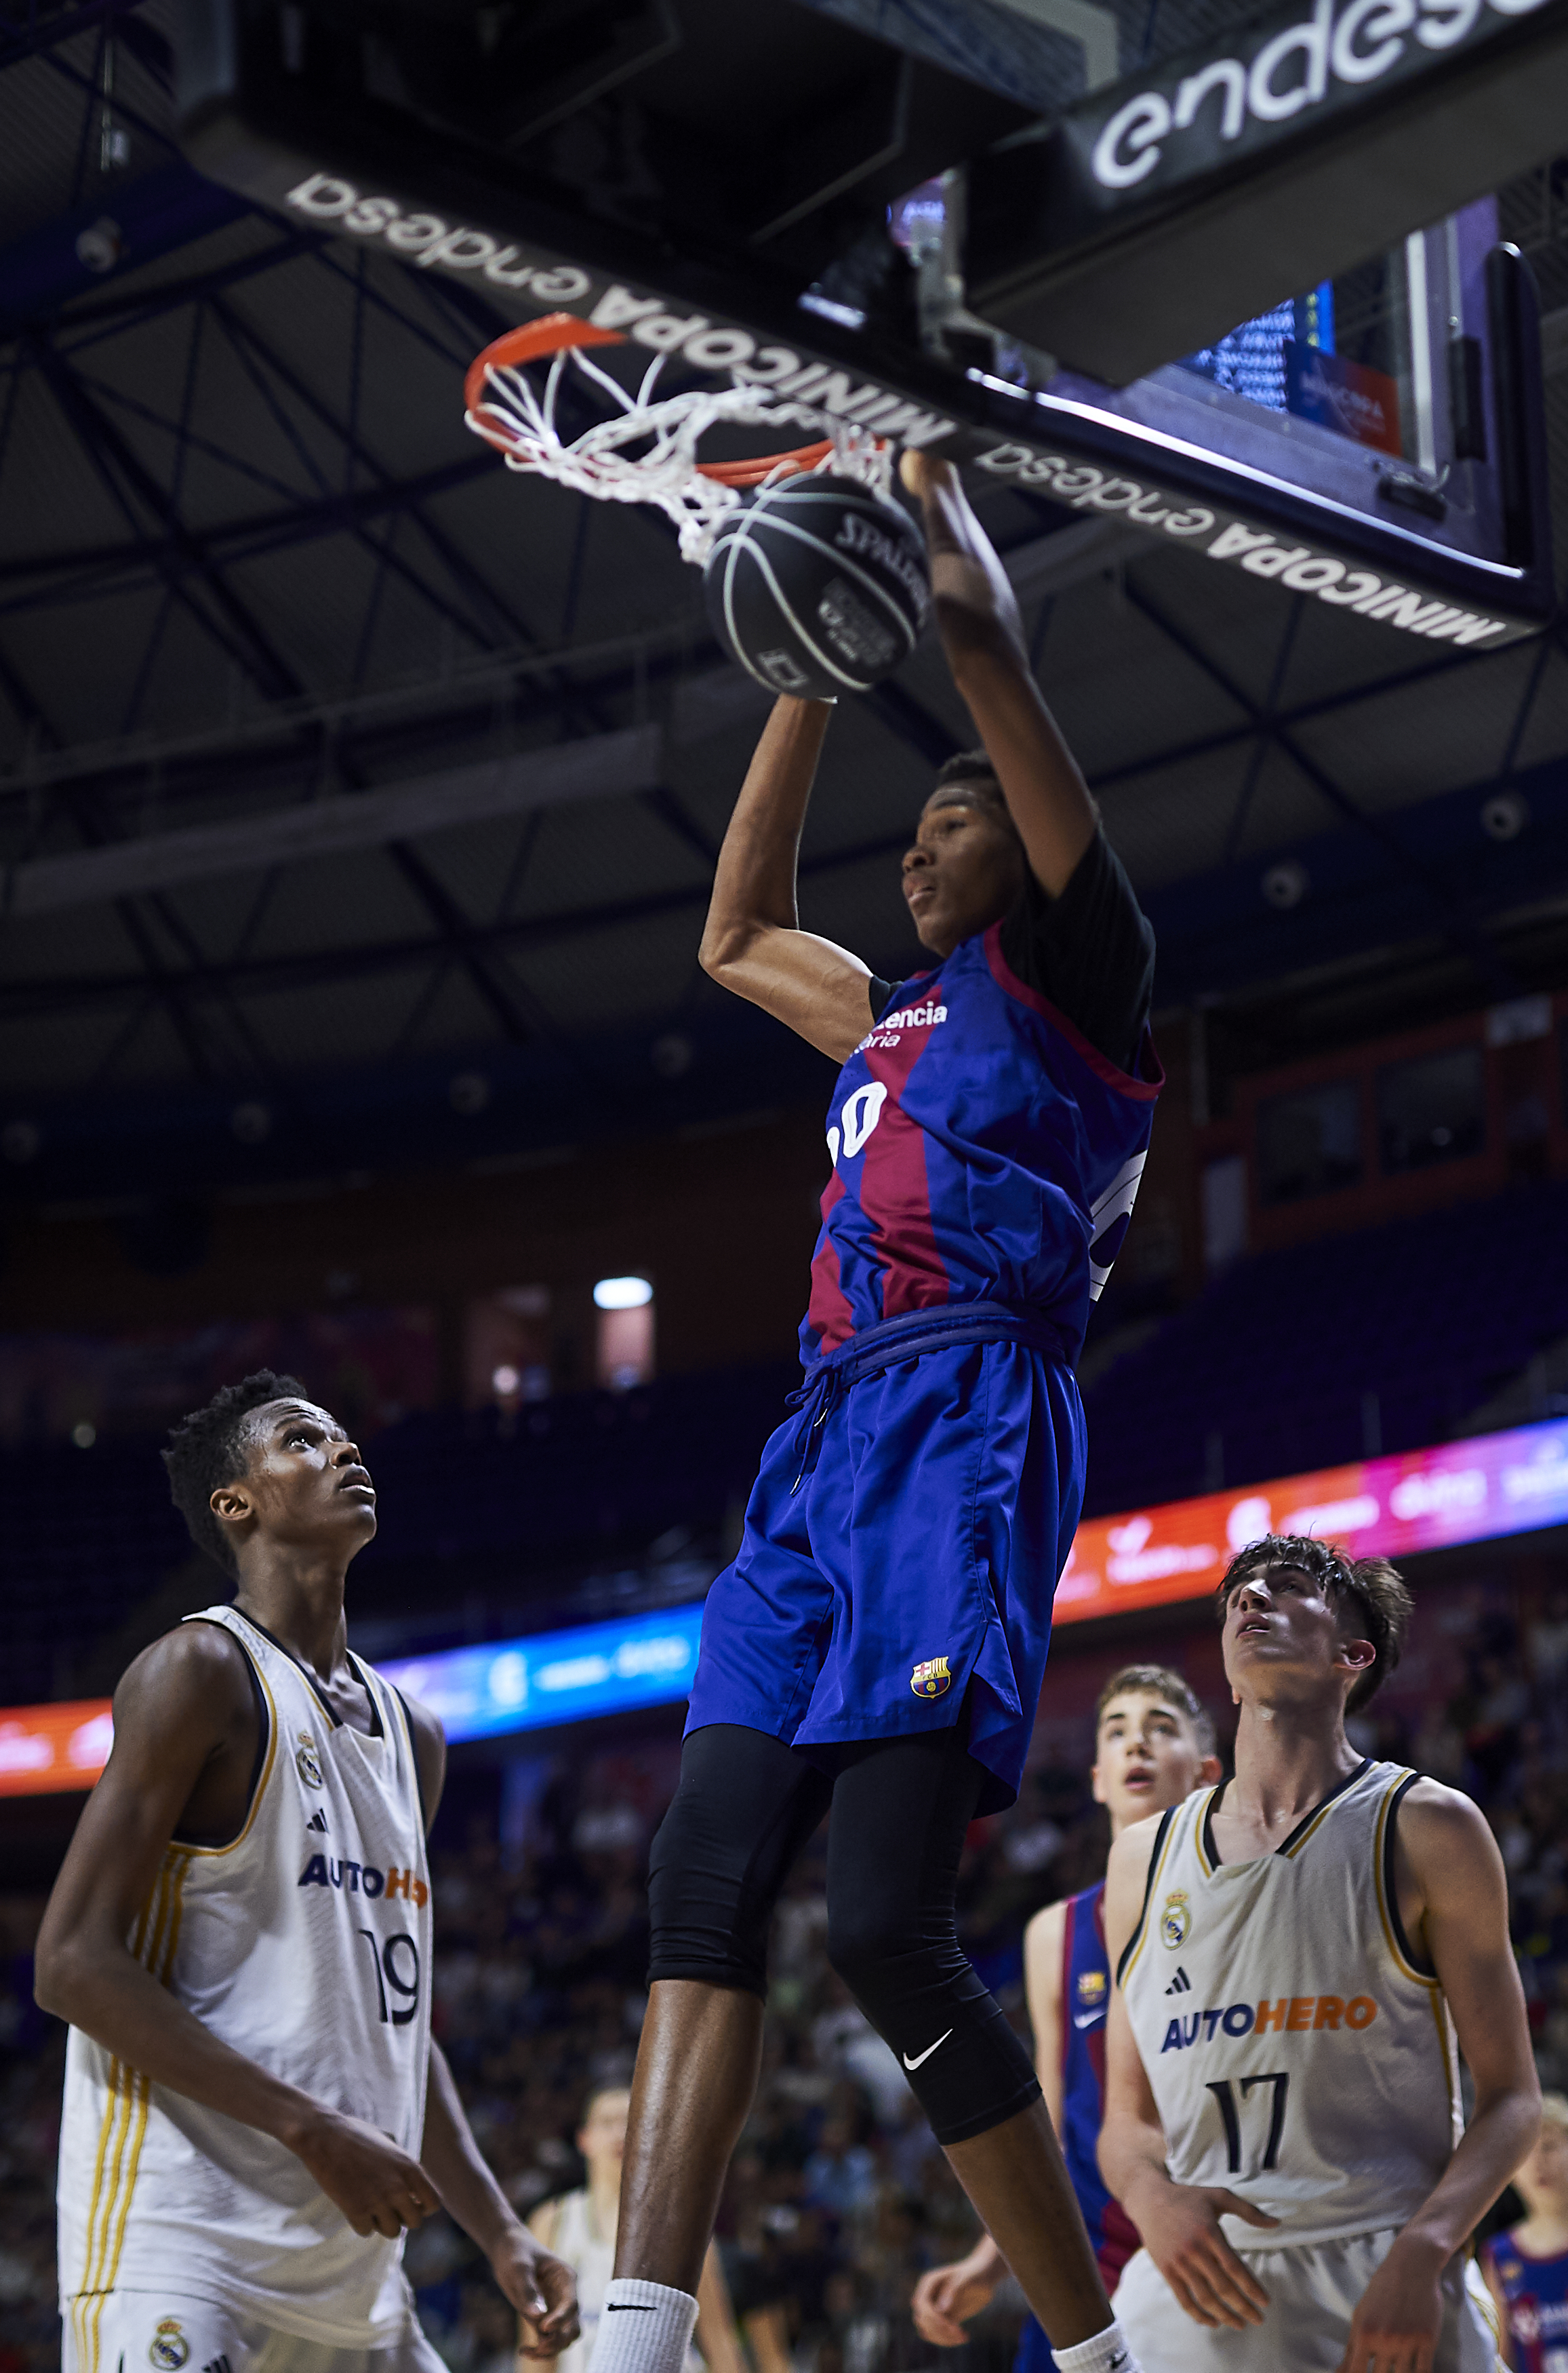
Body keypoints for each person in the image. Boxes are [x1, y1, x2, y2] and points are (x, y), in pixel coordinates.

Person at [585, 450, 1165, 2373]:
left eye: (947, 826)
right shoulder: (885, 1009)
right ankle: (640, 2333)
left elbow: (985, 632)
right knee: (699, 1871)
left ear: (1030, 843)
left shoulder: (1076, 980)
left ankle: (1094, 2354)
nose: (911, 856)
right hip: (817, 1445)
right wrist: (806, 666)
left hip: (966, 1426)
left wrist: (910, 477)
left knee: (883, 1925)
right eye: (906, 832)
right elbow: (732, 931)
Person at [35, 1369, 578, 2373]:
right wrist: (311, 2127)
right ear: (233, 1503)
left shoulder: (414, 1735)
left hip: (354, 2286)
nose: (343, 1451)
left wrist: (498, 2229)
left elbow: (398, 2032)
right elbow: (69, 1963)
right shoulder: (196, 1672)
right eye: (301, 1440)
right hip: (182, 2247)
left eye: (344, 1438)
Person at [1100, 1532, 1541, 2373]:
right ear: (1226, 1679)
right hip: (1197, 2278)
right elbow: (1127, 2120)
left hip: (1382, 2266)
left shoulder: (1426, 1823)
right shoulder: (1140, 1856)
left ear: (1352, 1653)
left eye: (1286, 1585)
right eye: (1238, 1591)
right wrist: (1150, 2195)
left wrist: (1425, 2250)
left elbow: (1513, 2097)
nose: (1249, 1598)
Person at [912, 1667, 1221, 2364]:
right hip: (1086, 2270)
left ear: (1205, 1773)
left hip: (1210, 2248)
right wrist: (987, 2261)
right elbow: (1049, 2118)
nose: (1134, 1743)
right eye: (1116, 1731)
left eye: (1159, 1727)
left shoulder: (1239, 1904)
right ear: (1096, 1778)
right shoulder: (1055, 1930)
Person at [529, 2087, 742, 2373]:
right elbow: (539, 2342)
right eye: (607, 2123)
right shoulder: (552, 2221)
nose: (620, 2133)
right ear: (584, 2139)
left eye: (632, 2122)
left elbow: (718, 2335)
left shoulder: (682, 2221)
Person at [1482, 2094, 1568, 2373]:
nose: (1538, 2162)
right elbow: (1501, 2357)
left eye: (1549, 2147)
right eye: (1526, 2152)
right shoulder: (1499, 2255)